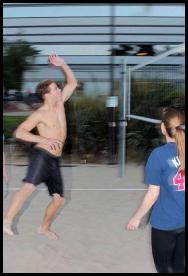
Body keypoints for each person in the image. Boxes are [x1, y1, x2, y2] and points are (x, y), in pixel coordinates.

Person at [3, 55, 77, 240]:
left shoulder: (60, 103)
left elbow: (73, 83)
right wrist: (43, 140)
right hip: (42, 155)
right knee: (28, 187)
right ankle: (6, 221)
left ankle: (44, 228)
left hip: (55, 159)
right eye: (55, 88)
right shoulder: (40, 113)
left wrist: (62, 65)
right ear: (46, 94)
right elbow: (19, 132)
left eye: (58, 87)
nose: (59, 89)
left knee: (59, 199)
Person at [126, 106, 185, 273]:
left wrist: (137, 218)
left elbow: (153, 193)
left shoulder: (158, 155)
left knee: (164, 269)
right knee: (180, 267)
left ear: (162, 127)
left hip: (165, 225)